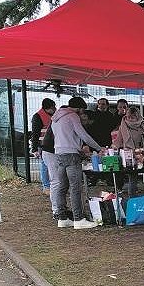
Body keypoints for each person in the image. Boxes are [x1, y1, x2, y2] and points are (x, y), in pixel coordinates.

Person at [49, 96, 103, 229]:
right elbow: (83, 135)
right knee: (75, 187)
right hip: (72, 154)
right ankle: (78, 219)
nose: (82, 113)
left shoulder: (56, 117)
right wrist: (98, 148)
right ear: (79, 108)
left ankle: (62, 218)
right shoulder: (72, 116)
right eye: (82, 110)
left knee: (62, 187)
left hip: (59, 153)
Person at [29, 98, 57, 195]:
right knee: (45, 165)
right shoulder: (37, 117)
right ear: (47, 108)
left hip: (53, 144)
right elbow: (35, 134)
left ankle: (51, 186)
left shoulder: (53, 115)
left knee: (51, 166)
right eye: (53, 107)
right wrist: (34, 149)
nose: (55, 109)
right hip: (42, 145)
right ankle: (46, 187)